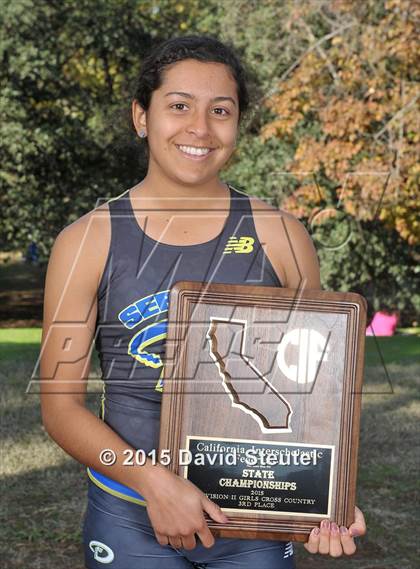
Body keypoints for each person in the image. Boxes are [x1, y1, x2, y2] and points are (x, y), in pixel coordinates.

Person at [40, 35, 366, 568]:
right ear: (141, 117)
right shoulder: (87, 240)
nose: (200, 128)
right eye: (179, 107)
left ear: (238, 124)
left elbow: (314, 397)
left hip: (255, 516)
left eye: (221, 111)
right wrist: (154, 484)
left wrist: (324, 498)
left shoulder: (282, 236)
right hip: (130, 511)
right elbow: (59, 407)